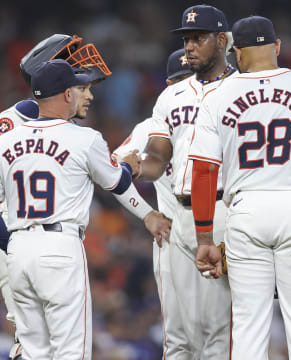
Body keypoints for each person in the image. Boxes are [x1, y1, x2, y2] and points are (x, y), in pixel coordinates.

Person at [0, 33, 171, 359]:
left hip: (20, 243)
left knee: (32, 348)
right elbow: (115, 180)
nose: (88, 92)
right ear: (62, 91)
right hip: (30, 239)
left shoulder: (16, 130)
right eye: (80, 84)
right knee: (65, 349)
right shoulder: (63, 133)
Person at [188, 16, 291, 360]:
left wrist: (204, 238)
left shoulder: (218, 96)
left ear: (237, 52)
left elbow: (202, 172)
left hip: (247, 210)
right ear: (276, 47)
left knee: (249, 324)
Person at [136, 4, 237, 359]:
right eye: (186, 39)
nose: (189, 46)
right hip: (180, 216)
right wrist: (135, 168)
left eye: (198, 38)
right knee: (183, 328)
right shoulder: (170, 95)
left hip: (225, 209)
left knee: (217, 328)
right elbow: (159, 156)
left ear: (221, 40)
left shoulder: (241, 90)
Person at [114, 48, 194, 359]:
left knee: (222, 332)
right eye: (180, 82)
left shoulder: (220, 118)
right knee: (175, 338)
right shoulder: (150, 127)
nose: (187, 88)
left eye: (193, 79)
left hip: (219, 236)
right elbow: (113, 170)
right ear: (168, 85)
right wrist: (147, 214)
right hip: (172, 237)